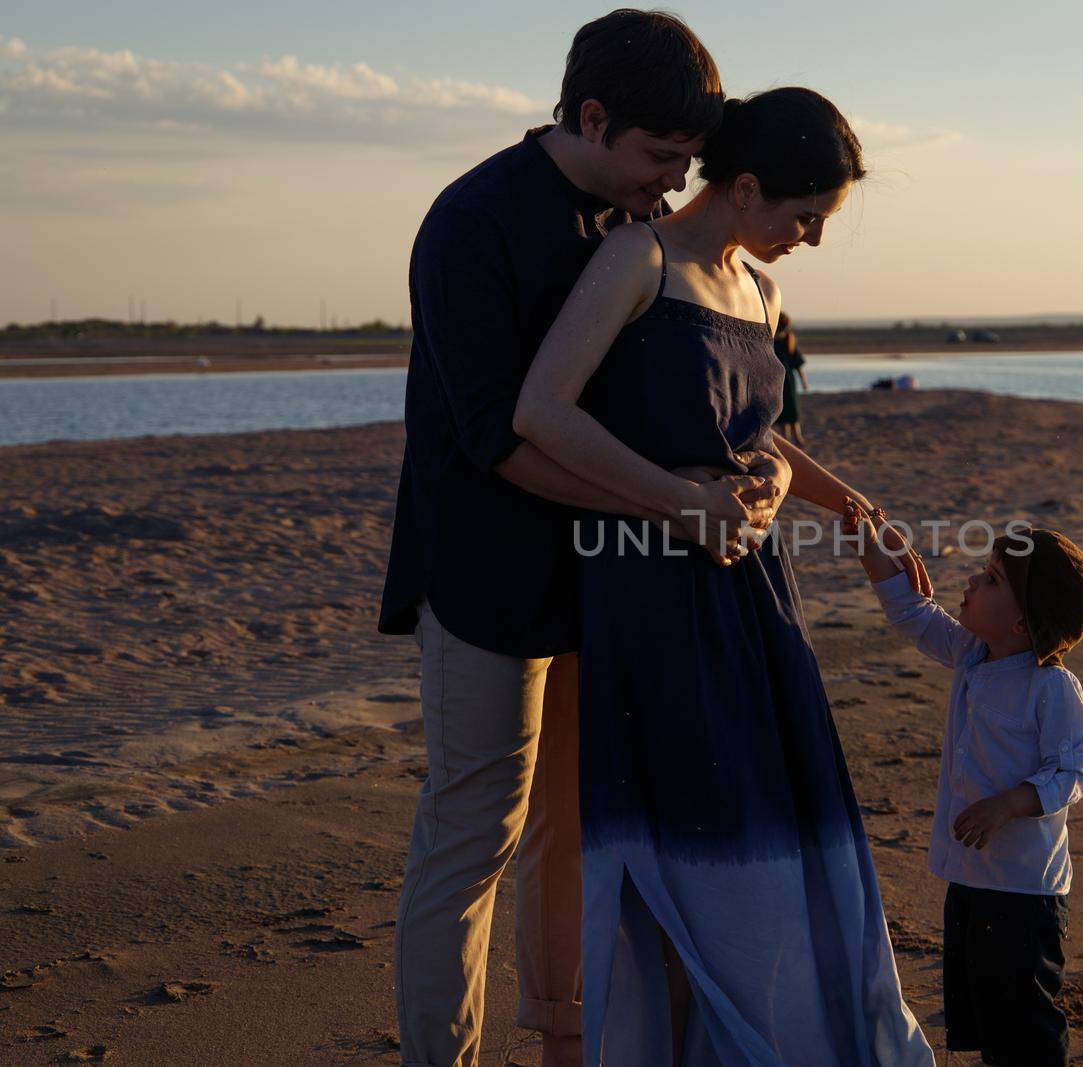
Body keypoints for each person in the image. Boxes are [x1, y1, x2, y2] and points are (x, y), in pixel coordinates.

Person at [377, 12, 787, 1067]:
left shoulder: (631, 228)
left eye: (684, 163)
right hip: (483, 576)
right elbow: (495, 440)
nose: (668, 183)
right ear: (591, 118)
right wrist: (672, 502)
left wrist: (751, 474)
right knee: (472, 833)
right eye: (656, 158)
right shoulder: (475, 219)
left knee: (571, 830)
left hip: (610, 587)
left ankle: (564, 1040)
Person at [513, 87, 935, 1065]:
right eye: (804, 216)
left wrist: (851, 507)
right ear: (743, 185)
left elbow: (766, 435)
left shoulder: (761, 288)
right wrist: (676, 499)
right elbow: (541, 410)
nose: (812, 239)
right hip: (647, 589)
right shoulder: (637, 259)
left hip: (754, 596)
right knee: (694, 837)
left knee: (777, 820)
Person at [849, 512, 1083, 1067]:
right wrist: (870, 548)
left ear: (1023, 623)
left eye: (991, 580)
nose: (971, 582)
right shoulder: (971, 656)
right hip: (969, 879)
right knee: (987, 1016)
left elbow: (1075, 768)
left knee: (1026, 1024)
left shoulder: (1050, 686)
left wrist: (1011, 803)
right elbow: (912, 614)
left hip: (1023, 891)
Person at [774, 310, 808, 445]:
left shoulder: (789, 343)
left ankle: (797, 437)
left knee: (793, 409)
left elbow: (798, 365)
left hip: (789, 382)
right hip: (777, 383)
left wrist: (803, 381)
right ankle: (786, 438)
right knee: (782, 411)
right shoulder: (771, 343)